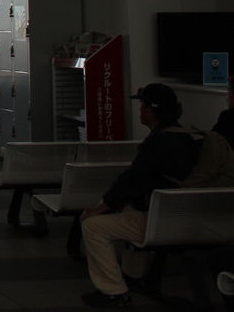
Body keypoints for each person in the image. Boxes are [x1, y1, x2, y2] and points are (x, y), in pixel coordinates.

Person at [78, 83, 200, 308]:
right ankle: (132, 276)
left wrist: (103, 206)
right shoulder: (187, 137)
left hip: (161, 221)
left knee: (93, 226)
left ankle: (114, 291)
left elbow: (133, 179)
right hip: (188, 215)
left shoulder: (158, 142)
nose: (140, 110)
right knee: (129, 209)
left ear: (152, 110)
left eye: (143, 105)